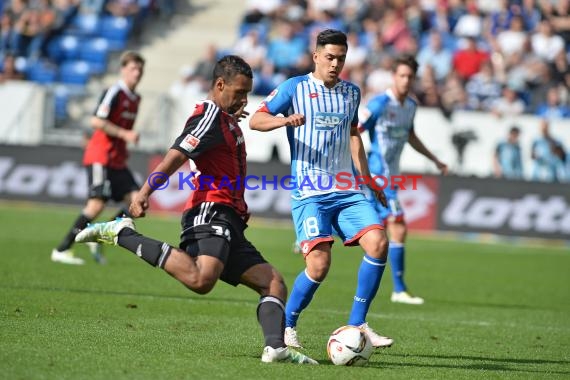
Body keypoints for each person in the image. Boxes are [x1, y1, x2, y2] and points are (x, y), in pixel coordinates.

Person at [74, 55, 318, 365]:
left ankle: (276, 348)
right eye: (239, 93)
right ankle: (122, 234)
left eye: (247, 94)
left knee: (273, 283)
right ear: (219, 85)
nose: (244, 100)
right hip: (210, 210)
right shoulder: (208, 116)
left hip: (230, 218)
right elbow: (176, 155)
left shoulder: (225, 118)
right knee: (202, 280)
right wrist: (145, 192)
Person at [250, 29, 393, 349]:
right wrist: (284, 122)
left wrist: (367, 178)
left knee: (379, 243)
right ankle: (287, 325)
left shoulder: (351, 93)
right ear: (316, 56)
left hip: (347, 188)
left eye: (341, 58)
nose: (335, 63)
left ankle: (359, 323)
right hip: (309, 190)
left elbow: (354, 133)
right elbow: (256, 120)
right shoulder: (295, 87)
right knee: (319, 265)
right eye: (329, 57)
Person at [359, 54, 448, 305]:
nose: (406, 80)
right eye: (402, 75)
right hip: (377, 175)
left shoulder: (410, 106)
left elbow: (411, 135)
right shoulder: (378, 104)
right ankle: (399, 289)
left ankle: (315, 236)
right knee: (397, 226)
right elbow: (355, 130)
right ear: (393, 77)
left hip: (391, 177)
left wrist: (434, 159)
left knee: (371, 228)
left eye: (410, 76)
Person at [51, 51, 145, 265]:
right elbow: (96, 121)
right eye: (133, 68)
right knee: (95, 205)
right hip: (100, 156)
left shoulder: (136, 98)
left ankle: (99, 235)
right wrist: (125, 134)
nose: (137, 73)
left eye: (140, 69)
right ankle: (61, 249)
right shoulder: (114, 91)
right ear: (123, 70)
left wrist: (123, 141)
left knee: (137, 202)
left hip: (117, 160)